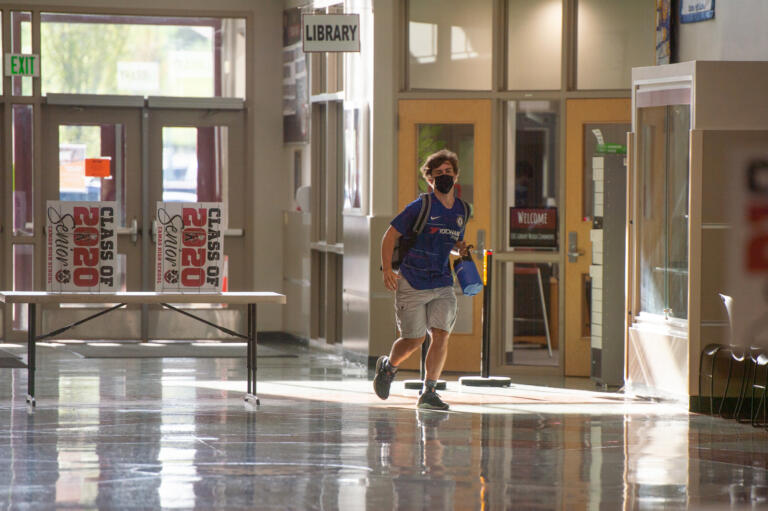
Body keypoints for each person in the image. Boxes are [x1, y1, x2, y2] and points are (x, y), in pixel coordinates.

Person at [373, 149, 470, 410]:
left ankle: (429, 392)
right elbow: (389, 235)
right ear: (429, 179)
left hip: (442, 282)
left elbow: (449, 242)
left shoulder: (462, 210)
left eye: (448, 172)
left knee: (440, 335)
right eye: (438, 173)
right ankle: (388, 366)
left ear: (456, 175)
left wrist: (459, 249)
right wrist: (387, 270)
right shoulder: (421, 206)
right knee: (414, 340)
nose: (444, 177)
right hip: (412, 280)